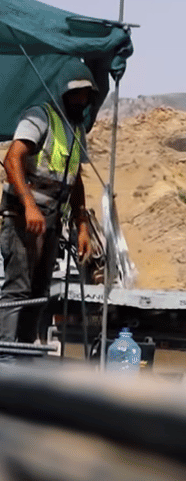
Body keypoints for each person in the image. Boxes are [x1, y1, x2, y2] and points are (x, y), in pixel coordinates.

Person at [1, 57, 95, 347]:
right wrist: (29, 204)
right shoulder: (40, 117)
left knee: (40, 292)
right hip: (23, 218)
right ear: (62, 93)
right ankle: (6, 355)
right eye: (75, 94)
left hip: (53, 222)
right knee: (18, 289)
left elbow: (75, 178)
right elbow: (12, 158)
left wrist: (82, 226)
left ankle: (25, 352)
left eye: (85, 95)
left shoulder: (77, 129)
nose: (80, 100)